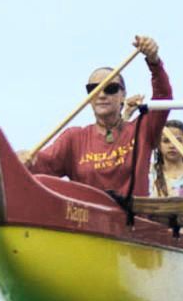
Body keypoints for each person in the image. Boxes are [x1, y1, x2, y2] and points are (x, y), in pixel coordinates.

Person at [23, 35, 171, 198]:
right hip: (87, 221)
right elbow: (42, 164)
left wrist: (154, 61)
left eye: (110, 88)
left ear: (123, 96)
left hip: (132, 221)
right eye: (93, 89)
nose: (101, 94)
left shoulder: (142, 130)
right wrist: (23, 159)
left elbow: (163, 97)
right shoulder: (73, 138)